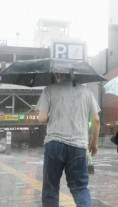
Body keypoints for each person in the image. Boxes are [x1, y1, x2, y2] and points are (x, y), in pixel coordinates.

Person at [37, 73, 100, 207]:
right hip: (78, 145)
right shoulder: (86, 92)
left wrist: (51, 115)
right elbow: (96, 120)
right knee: (80, 187)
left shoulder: (49, 89)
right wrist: (94, 143)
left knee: (51, 187)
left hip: (54, 143)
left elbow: (42, 118)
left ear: (57, 74)